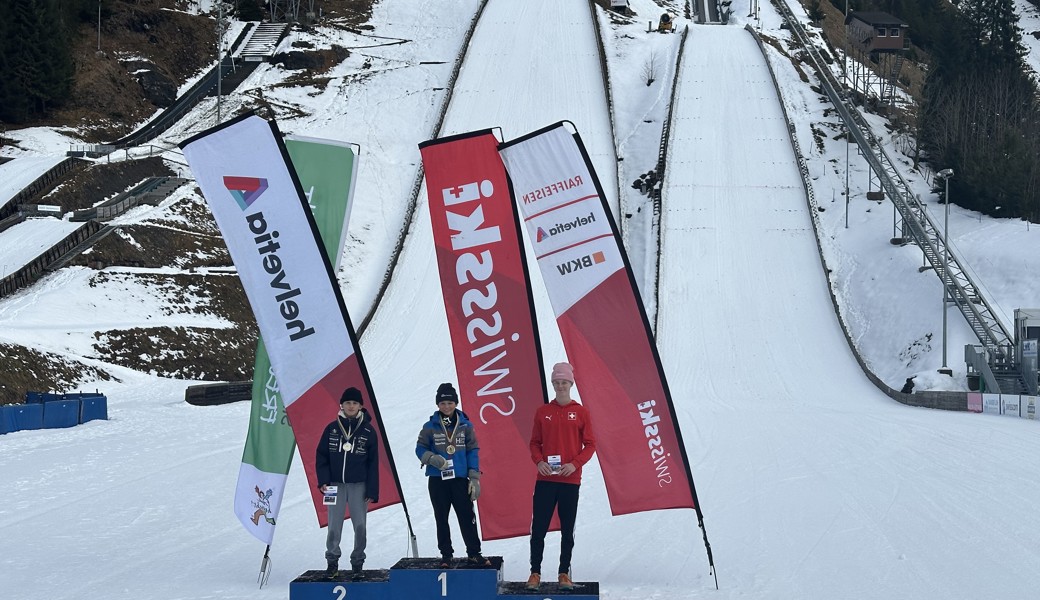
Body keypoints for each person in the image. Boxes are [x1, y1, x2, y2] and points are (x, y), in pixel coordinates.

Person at [526, 362, 596, 592]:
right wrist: (540, 462)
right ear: (553, 384)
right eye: (557, 382)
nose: (560, 386)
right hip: (545, 479)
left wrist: (575, 464)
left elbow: (590, 444)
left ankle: (564, 572)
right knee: (539, 528)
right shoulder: (543, 411)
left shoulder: (581, 412)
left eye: (564, 382)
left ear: (571, 384)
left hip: (569, 481)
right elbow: (534, 443)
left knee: (567, 529)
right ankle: (535, 572)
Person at [415, 382, 489, 567]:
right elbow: (420, 447)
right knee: (441, 517)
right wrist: (431, 458)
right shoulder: (430, 426)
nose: (446, 407)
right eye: (443, 403)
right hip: (437, 479)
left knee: (467, 516)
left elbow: (472, 450)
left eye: (450, 403)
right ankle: (446, 555)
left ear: (456, 403)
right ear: (437, 404)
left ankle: (474, 553)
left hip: (459, 479)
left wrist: (474, 477)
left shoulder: (466, 425)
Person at [315, 386, 379, 581]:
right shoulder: (332, 429)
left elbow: (373, 463)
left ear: (361, 406)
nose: (351, 406)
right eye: (348, 403)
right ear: (341, 405)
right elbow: (321, 456)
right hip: (334, 485)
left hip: (359, 485)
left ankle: (357, 562)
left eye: (355, 403)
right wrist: (323, 480)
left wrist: (372, 489)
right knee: (334, 525)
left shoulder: (368, 431)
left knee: (360, 525)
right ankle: (332, 561)